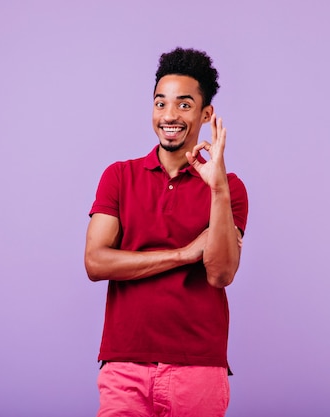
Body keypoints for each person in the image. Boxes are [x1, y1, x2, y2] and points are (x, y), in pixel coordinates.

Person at [84, 47, 248, 417]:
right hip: (125, 365)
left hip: (199, 368)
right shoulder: (119, 177)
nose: (169, 115)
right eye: (161, 103)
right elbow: (95, 262)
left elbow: (221, 273)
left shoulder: (230, 188)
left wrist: (217, 189)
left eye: (184, 105)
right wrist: (184, 254)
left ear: (206, 114)